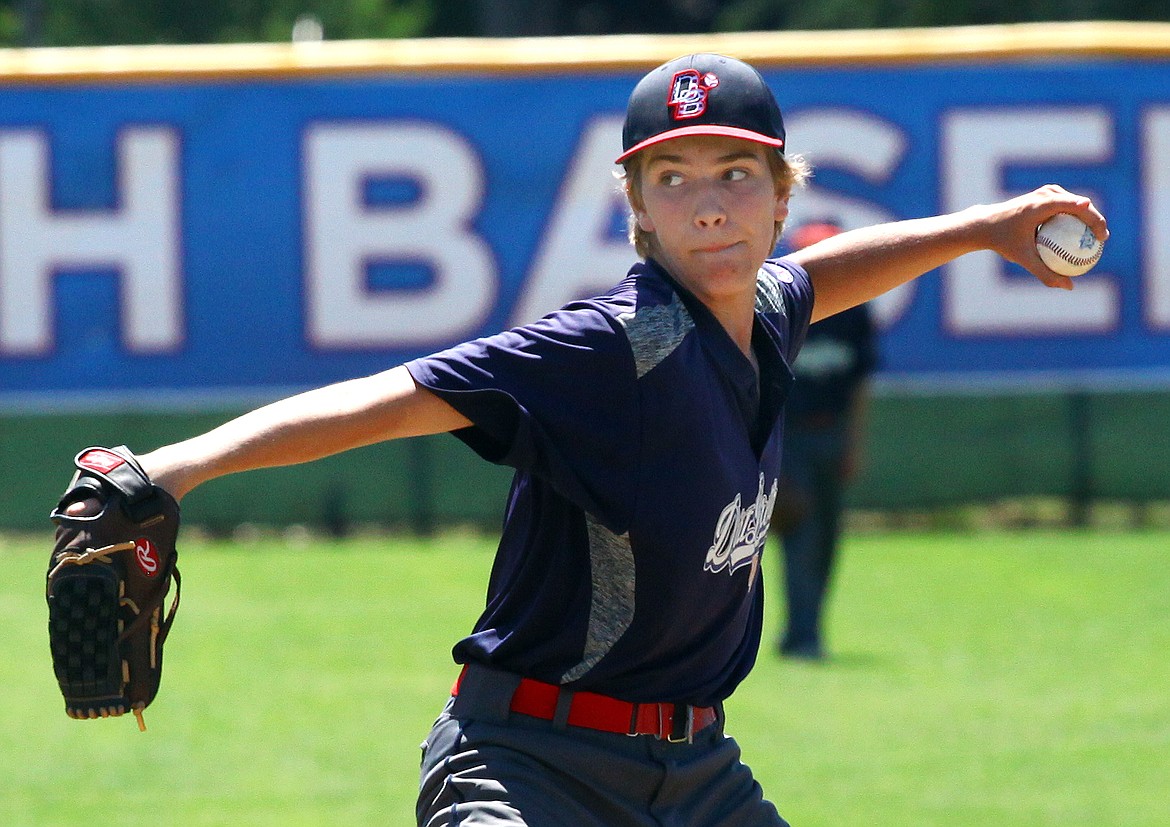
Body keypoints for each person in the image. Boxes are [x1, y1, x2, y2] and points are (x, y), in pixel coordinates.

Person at [61, 53, 1106, 826]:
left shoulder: (765, 312)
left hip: (698, 775)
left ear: (784, 198)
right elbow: (393, 395)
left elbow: (829, 277)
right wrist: (173, 468)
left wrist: (984, 226)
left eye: (737, 173)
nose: (709, 205)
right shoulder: (612, 346)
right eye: (674, 178)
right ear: (638, 214)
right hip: (530, 763)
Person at [771, 220, 878, 661]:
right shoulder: (777, 310)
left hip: (830, 434)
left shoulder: (853, 313)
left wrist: (854, 444)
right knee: (802, 533)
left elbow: (859, 384)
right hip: (790, 439)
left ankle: (806, 629)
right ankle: (802, 637)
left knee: (828, 539)